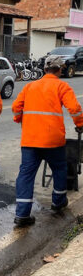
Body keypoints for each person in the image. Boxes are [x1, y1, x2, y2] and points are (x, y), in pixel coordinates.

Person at [12, 55, 83, 227]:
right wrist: (80, 124)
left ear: (44, 70)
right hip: (53, 140)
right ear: (60, 69)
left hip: (30, 140)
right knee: (59, 168)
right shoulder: (62, 86)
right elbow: (74, 108)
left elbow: (16, 108)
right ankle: (58, 202)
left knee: (26, 174)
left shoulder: (29, 86)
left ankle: (22, 215)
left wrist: (19, 120)